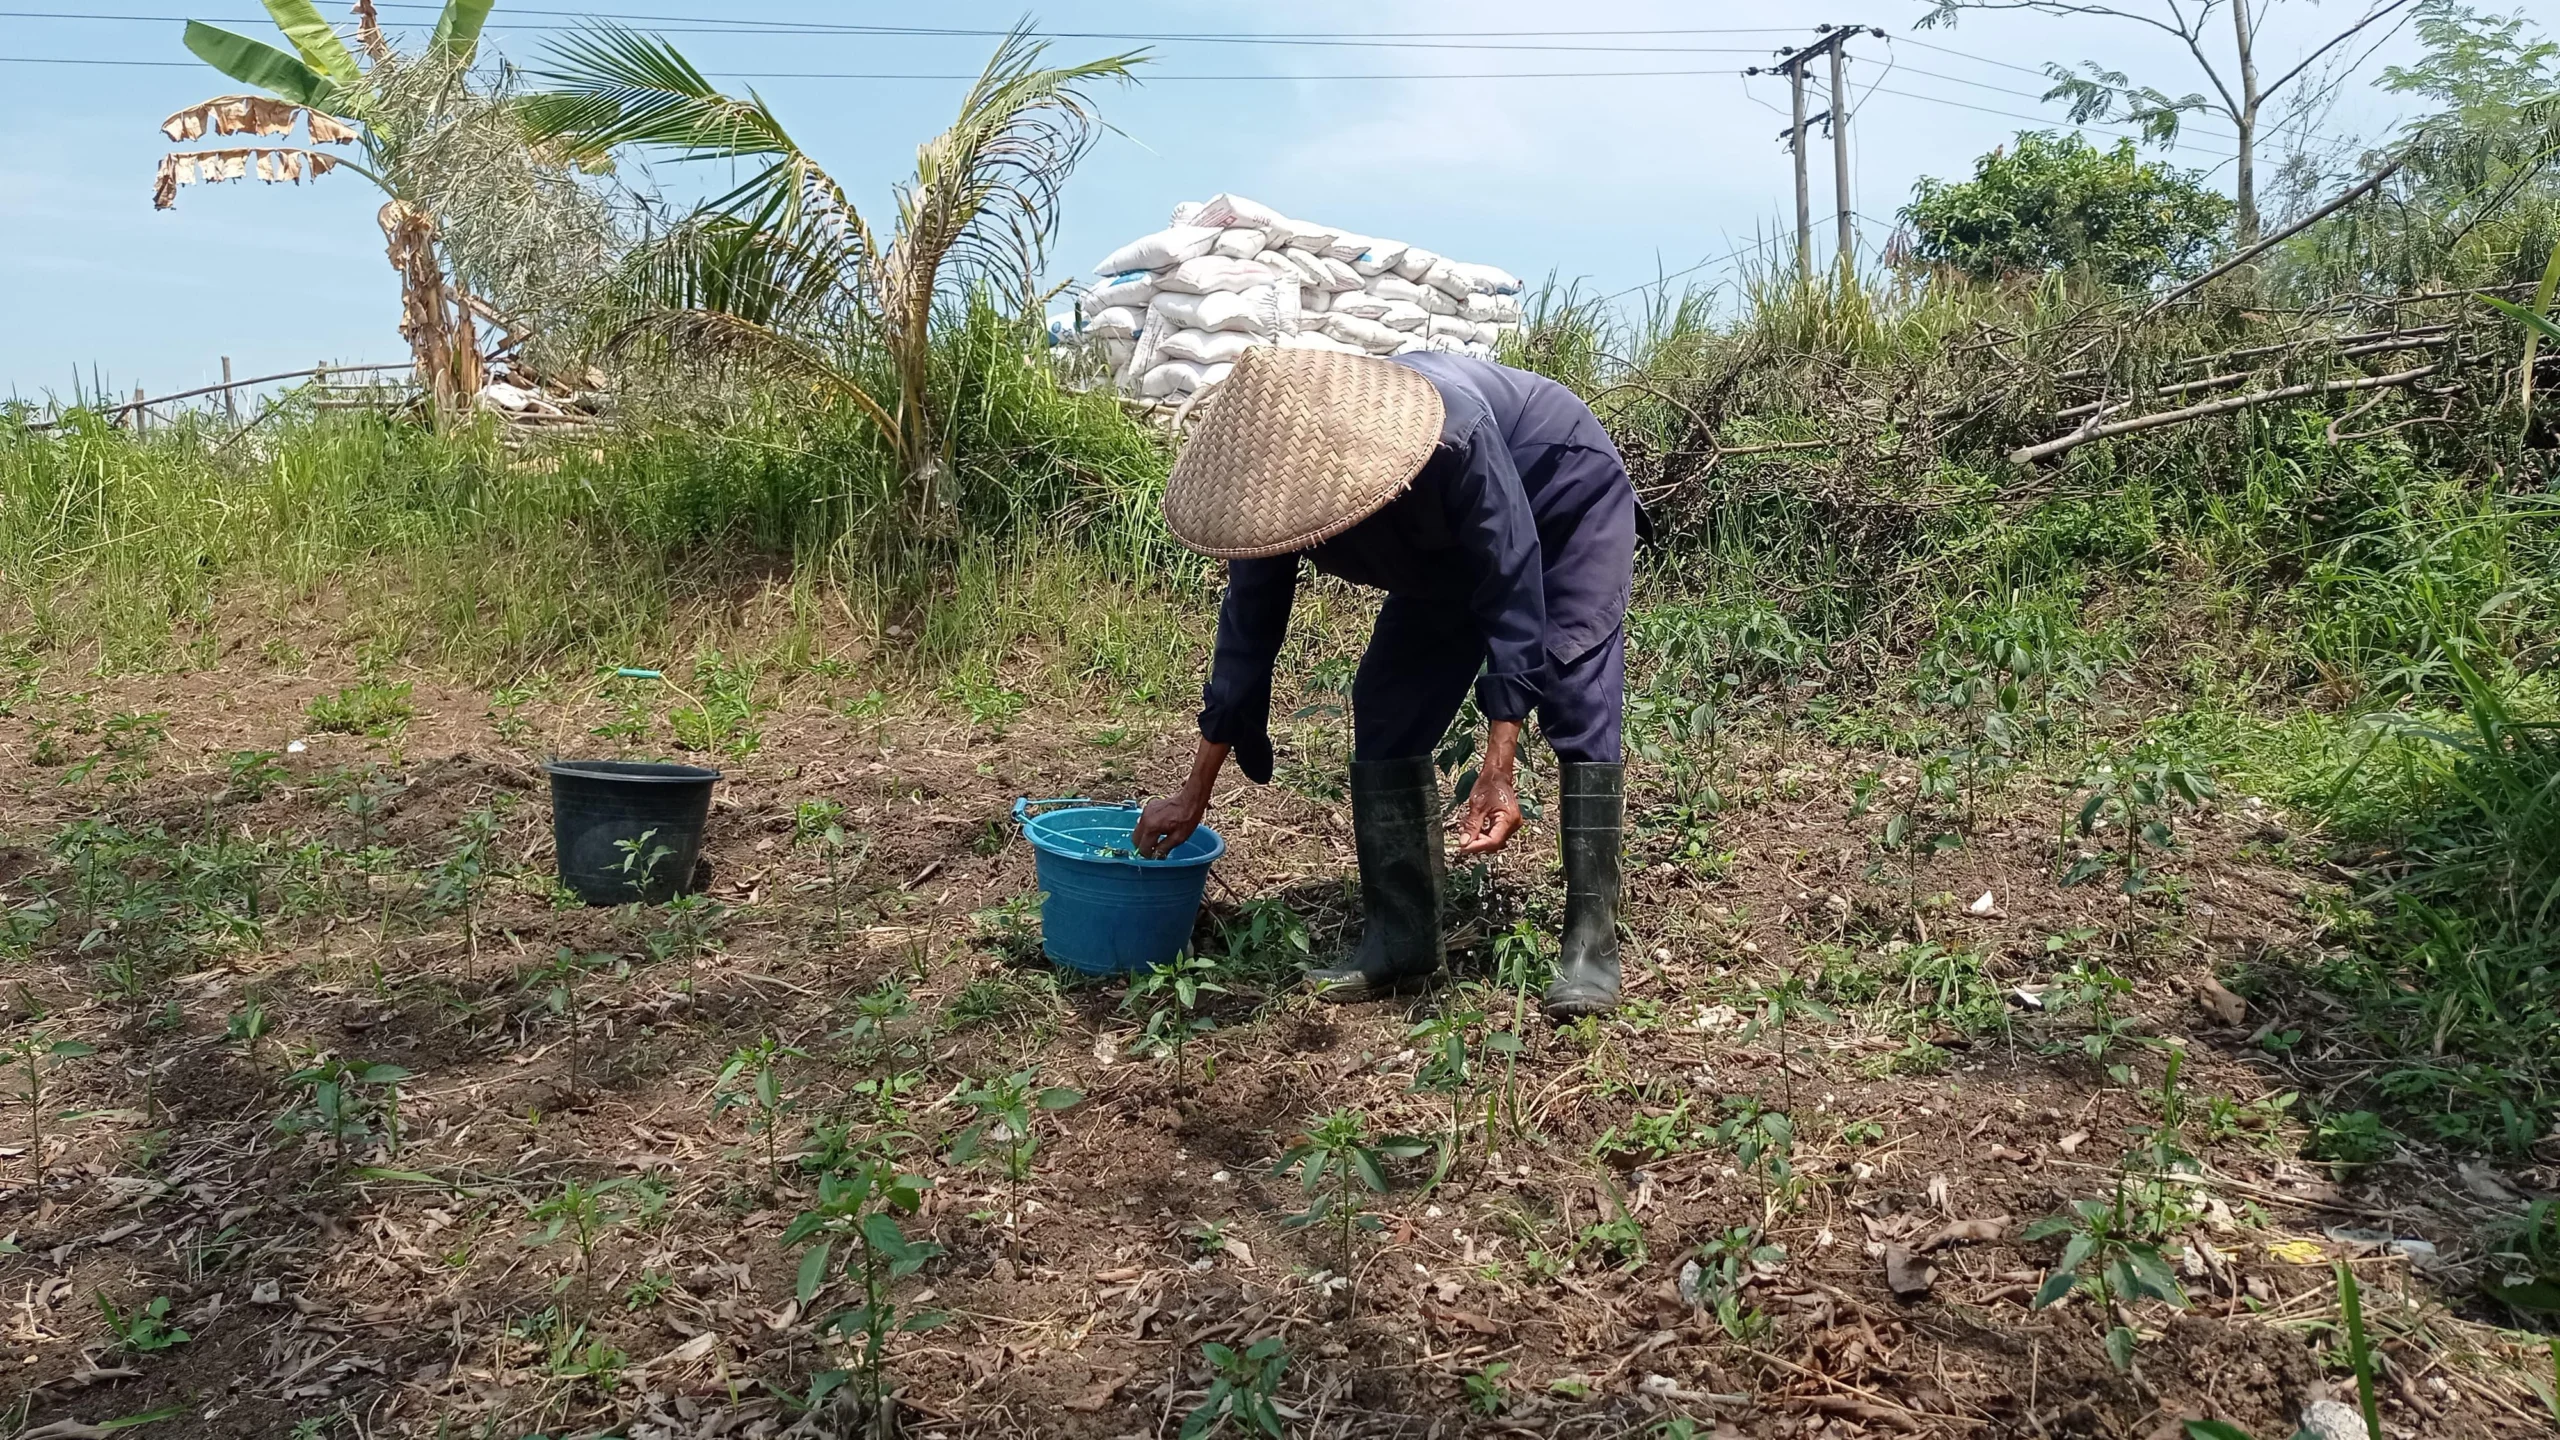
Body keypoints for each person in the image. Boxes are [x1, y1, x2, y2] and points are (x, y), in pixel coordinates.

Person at [1132, 344, 1637, 1018]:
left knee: (1574, 689)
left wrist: (1498, 766)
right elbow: (1247, 637)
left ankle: (1590, 947)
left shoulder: (1452, 434)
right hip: (1445, 550)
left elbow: (1512, 581)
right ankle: (1401, 940)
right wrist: (1192, 792)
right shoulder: (1269, 496)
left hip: (1559, 495)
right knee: (1388, 701)